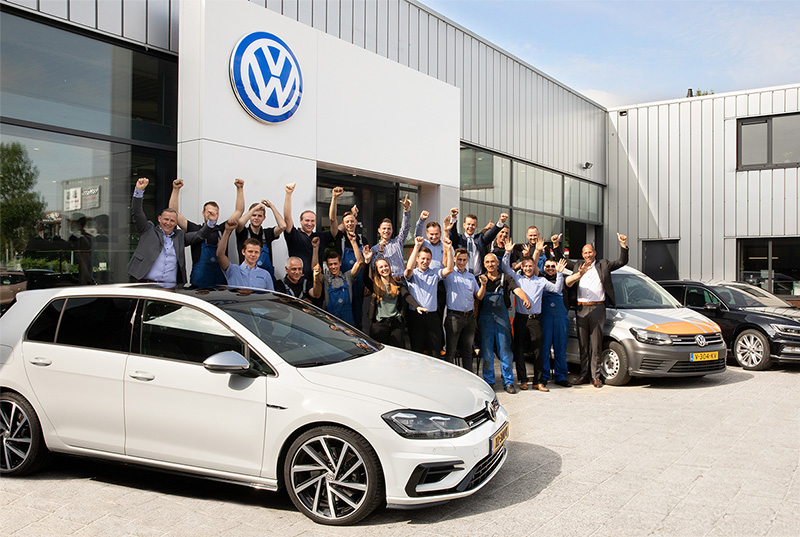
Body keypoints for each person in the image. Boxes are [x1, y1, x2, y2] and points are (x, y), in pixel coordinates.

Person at [502, 238, 567, 391]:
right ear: (522, 267)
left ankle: (538, 382)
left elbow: (557, 288)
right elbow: (505, 268)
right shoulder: (517, 278)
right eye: (525, 266)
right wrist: (507, 252)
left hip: (535, 320)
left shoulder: (541, 281)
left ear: (534, 267)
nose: (528, 268)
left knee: (538, 350)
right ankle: (523, 380)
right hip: (520, 318)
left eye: (531, 266)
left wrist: (559, 273)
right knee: (519, 350)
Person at [565, 233, 629, 388]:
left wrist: (623, 245)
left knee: (596, 344)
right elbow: (561, 261)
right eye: (585, 253)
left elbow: (622, 261)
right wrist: (554, 246)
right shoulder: (577, 266)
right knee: (583, 344)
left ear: (594, 253)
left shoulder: (603, 264)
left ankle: (596, 376)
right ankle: (584, 375)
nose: (588, 255)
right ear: (582, 254)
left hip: (597, 308)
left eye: (590, 252)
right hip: (581, 308)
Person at [127, 178, 214, 285]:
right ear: (159, 219)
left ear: (176, 222)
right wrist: (139, 191)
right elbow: (137, 213)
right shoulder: (148, 230)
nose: (168, 223)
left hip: (170, 288)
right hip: (146, 285)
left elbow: (200, 235)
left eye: (172, 221)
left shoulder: (180, 236)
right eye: (166, 219)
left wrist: (211, 222)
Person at [169, 178, 244, 287]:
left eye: (215, 213)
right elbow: (173, 214)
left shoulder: (223, 229)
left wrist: (240, 188)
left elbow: (239, 211)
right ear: (203, 213)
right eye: (209, 212)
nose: (212, 214)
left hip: (220, 281)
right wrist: (176, 189)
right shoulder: (194, 229)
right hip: (199, 281)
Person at [478, 252, 531, 394]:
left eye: (493, 262)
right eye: (488, 262)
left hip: (502, 319)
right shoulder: (481, 279)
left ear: (497, 263)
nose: (490, 264)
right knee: (487, 352)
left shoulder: (506, 278)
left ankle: (508, 382)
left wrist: (525, 298)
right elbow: (477, 298)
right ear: (484, 264)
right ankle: (489, 381)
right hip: (485, 319)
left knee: (505, 351)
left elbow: (517, 289)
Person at [362, 248, 423, 348]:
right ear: (377, 271)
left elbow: (406, 295)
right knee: (380, 351)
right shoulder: (375, 285)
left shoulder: (397, 284)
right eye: (381, 267)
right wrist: (367, 261)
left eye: (386, 266)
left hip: (395, 323)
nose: (384, 268)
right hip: (379, 324)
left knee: (397, 350)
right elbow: (364, 277)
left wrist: (417, 306)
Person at [405, 235, 453, 356]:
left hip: (432, 316)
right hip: (416, 316)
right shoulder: (413, 274)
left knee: (435, 351)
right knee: (417, 351)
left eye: (428, 259)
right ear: (417, 259)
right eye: (422, 258)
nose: (425, 261)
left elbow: (449, 270)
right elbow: (409, 268)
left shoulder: (434, 273)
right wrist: (416, 246)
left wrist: (449, 250)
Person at [329, 187, 368, 328]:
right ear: (343, 224)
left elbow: (367, 262)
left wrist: (367, 282)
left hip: (359, 282)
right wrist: (334, 198)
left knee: (358, 314)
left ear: (356, 222)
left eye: (352, 221)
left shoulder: (363, 240)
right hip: (344, 280)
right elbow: (332, 219)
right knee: (342, 312)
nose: (350, 223)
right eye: (347, 222)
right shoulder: (339, 237)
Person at [282, 182, 336, 282]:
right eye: (307, 220)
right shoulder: (294, 235)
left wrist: (335, 198)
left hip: (316, 282)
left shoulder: (320, 236)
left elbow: (335, 226)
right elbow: (287, 217)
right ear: (301, 221)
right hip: (297, 281)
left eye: (312, 221)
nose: (310, 223)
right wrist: (288, 194)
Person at [443, 246, 485, 371]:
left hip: (470, 317)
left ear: (467, 260)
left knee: (468, 351)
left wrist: (483, 285)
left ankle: (468, 377)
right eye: (459, 259)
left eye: (464, 260)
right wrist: (447, 248)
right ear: (454, 259)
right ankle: (450, 377)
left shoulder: (471, 276)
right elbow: (445, 261)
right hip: (455, 317)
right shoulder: (449, 274)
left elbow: (479, 296)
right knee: (451, 351)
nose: (462, 262)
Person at [310, 230, 365, 325]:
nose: (333, 267)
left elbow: (360, 262)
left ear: (340, 263)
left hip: (348, 321)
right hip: (331, 321)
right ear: (327, 265)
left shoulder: (348, 276)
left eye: (335, 263)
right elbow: (315, 268)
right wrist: (315, 248)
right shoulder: (325, 279)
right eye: (330, 264)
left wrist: (353, 242)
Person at [236, 198, 286, 284]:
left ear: (264, 218)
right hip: (247, 279)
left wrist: (272, 207)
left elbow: (283, 226)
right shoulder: (243, 232)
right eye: (254, 215)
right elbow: (239, 223)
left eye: (259, 216)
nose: (256, 218)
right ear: (249, 216)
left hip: (266, 280)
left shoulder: (267, 233)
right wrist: (255, 208)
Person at [446, 208, 508, 275]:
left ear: (476, 226)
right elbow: (452, 233)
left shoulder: (480, 239)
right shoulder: (459, 239)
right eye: (468, 224)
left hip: (478, 277)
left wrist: (501, 221)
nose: (470, 226)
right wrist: (453, 217)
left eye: (473, 225)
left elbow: (491, 234)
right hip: (461, 275)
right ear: (464, 225)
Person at [216, 220, 274, 290]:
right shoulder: (232, 270)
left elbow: (270, 295)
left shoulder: (265, 274)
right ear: (243, 252)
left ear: (259, 254)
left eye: (256, 252)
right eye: (250, 251)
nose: (253, 254)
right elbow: (220, 255)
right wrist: (227, 231)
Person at [371, 194, 413, 277]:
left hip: (401, 280)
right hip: (387, 281)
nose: (386, 231)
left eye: (389, 229)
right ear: (379, 230)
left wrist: (406, 210)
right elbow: (373, 267)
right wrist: (381, 250)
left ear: (392, 230)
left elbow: (405, 228)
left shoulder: (397, 242)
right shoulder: (374, 249)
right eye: (384, 228)